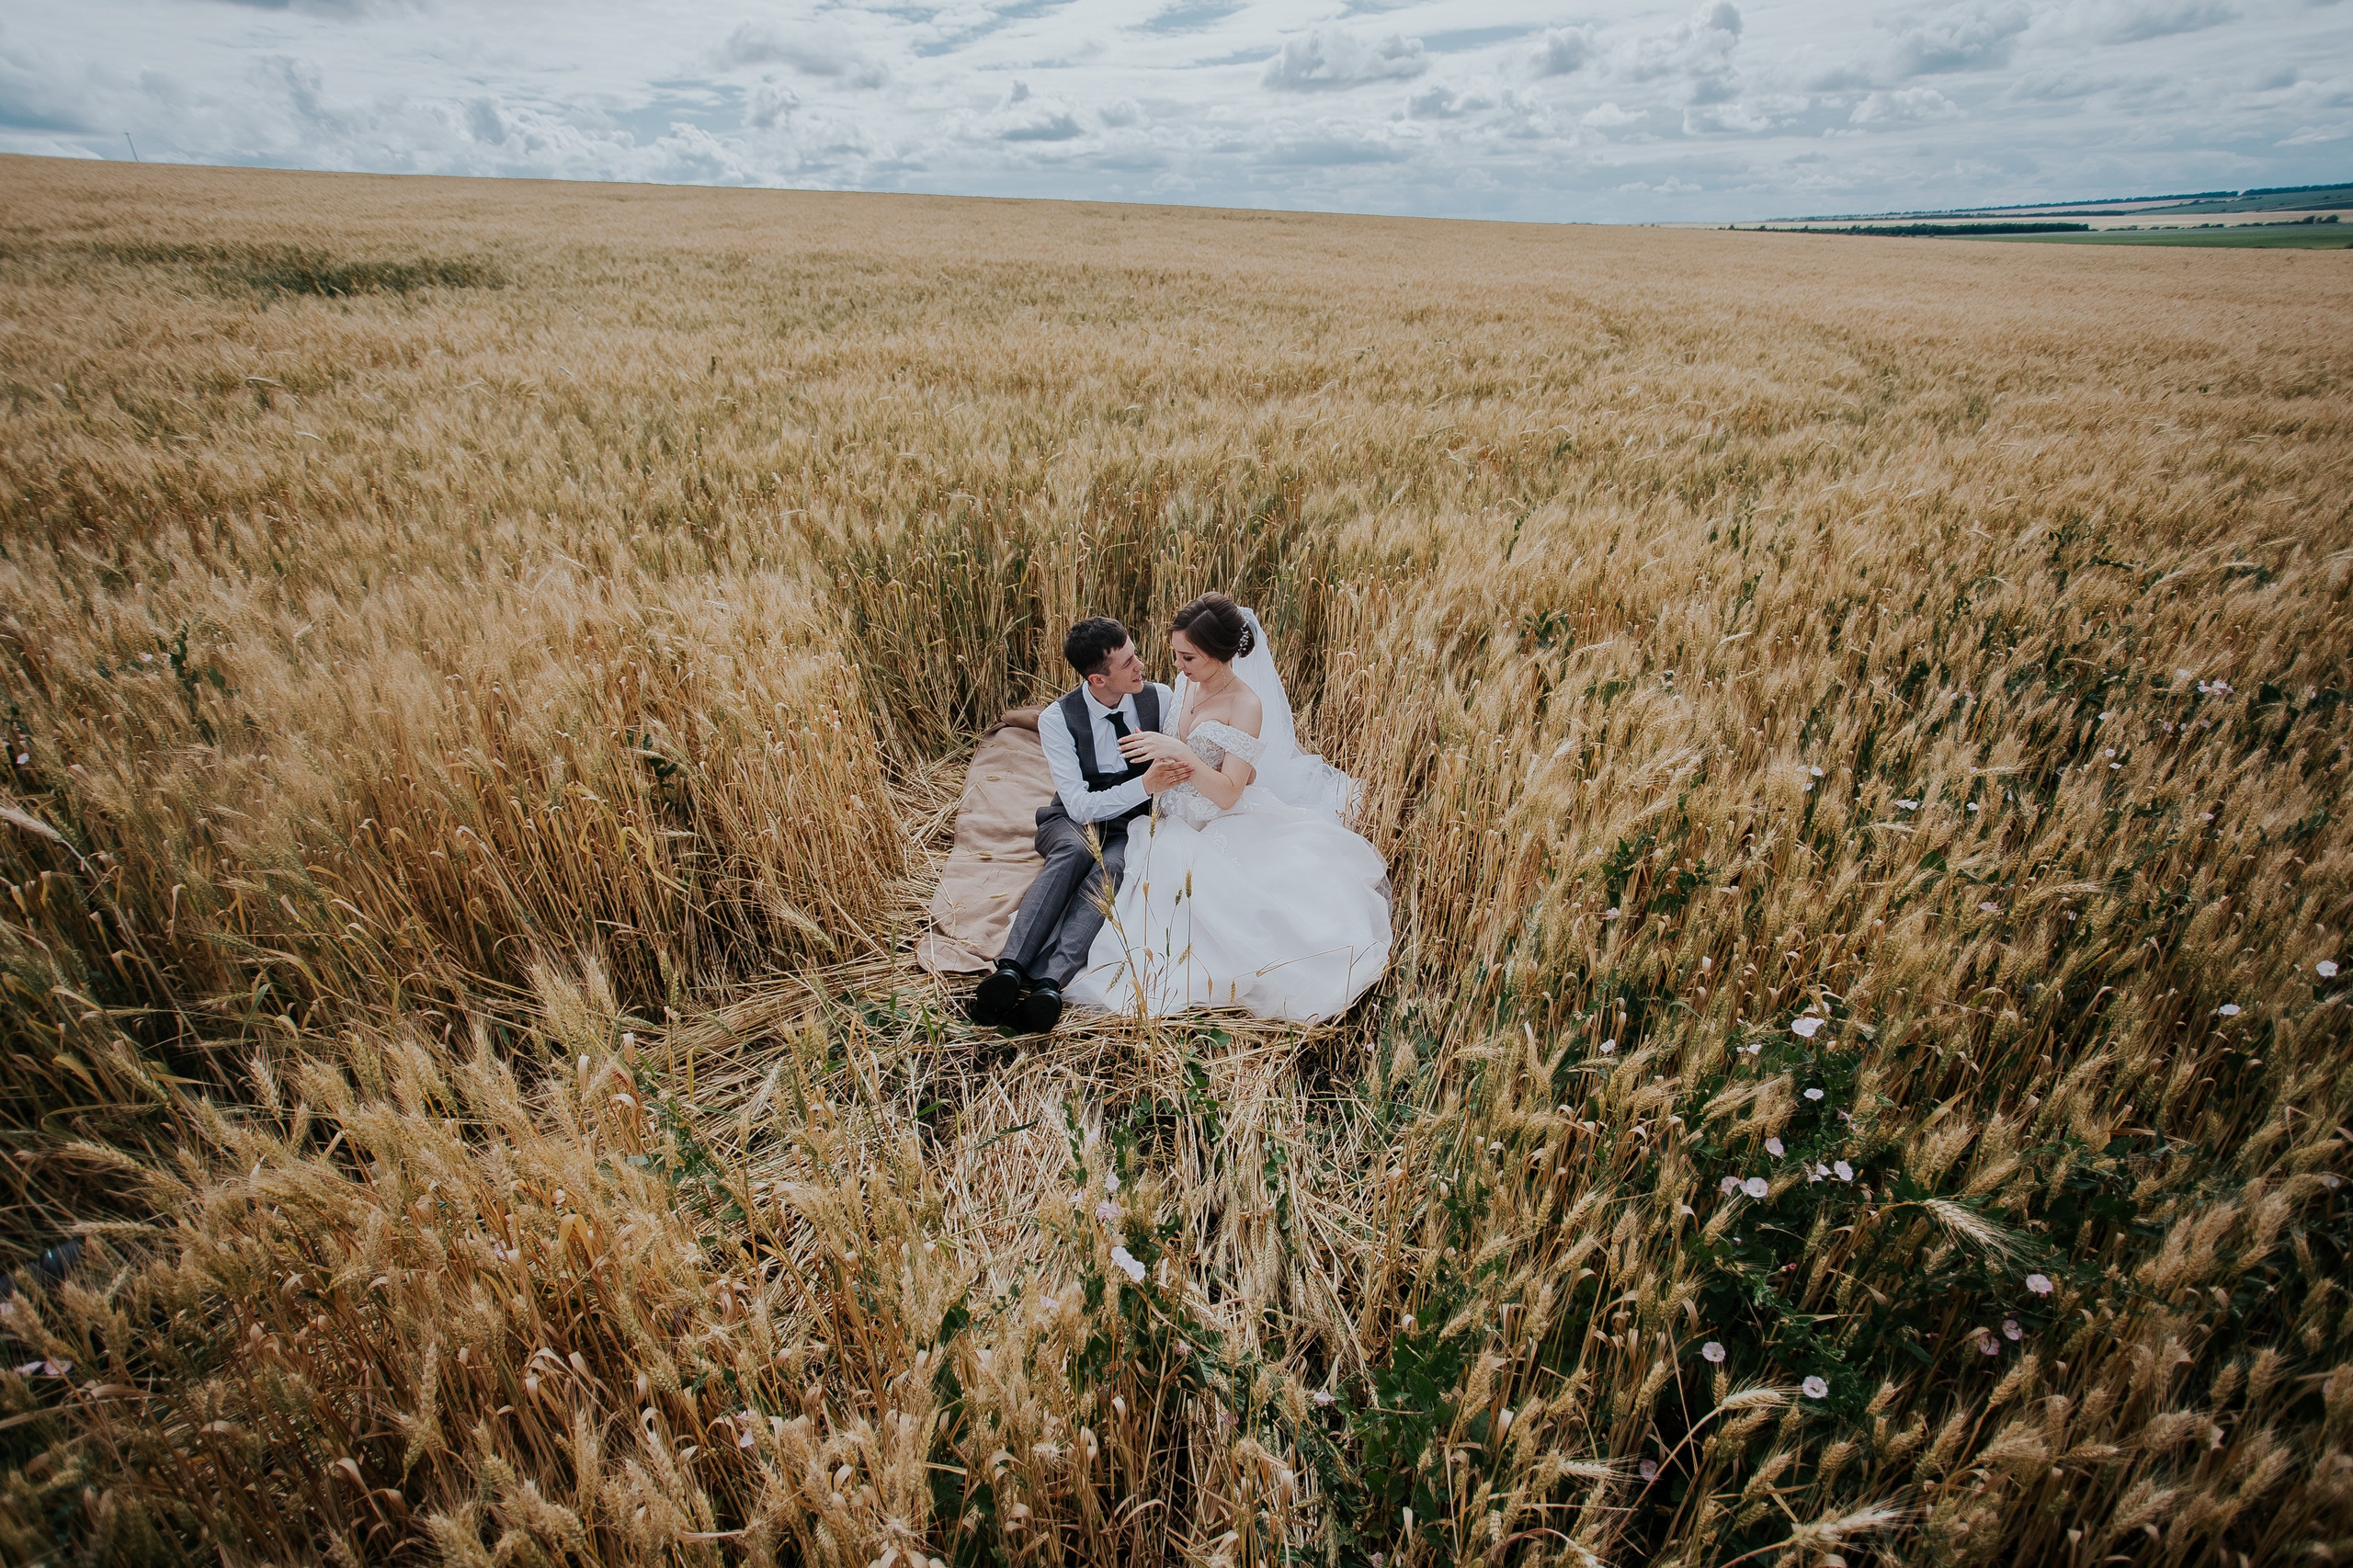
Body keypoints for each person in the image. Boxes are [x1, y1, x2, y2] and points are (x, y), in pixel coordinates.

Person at [1063, 594, 1392, 1025]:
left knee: (1228, 913)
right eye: (1176, 655)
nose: (1178, 666)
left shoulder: (1246, 704)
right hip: (1168, 816)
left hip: (1216, 820)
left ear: (1220, 655)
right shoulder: (1187, 684)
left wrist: (1181, 752)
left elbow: (1229, 793)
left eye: (1188, 657)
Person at [967, 617, 1195, 1033]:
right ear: (1097, 679)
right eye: (1127, 663)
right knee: (1073, 852)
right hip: (1073, 819)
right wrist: (1144, 784)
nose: (1140, 665)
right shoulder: (1058, 719)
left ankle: (1050, 984)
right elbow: (1079, 805)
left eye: (1135, 653)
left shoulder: (1160, 699)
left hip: (1134, 825)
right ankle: (1009, 970)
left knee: (1111, 870)